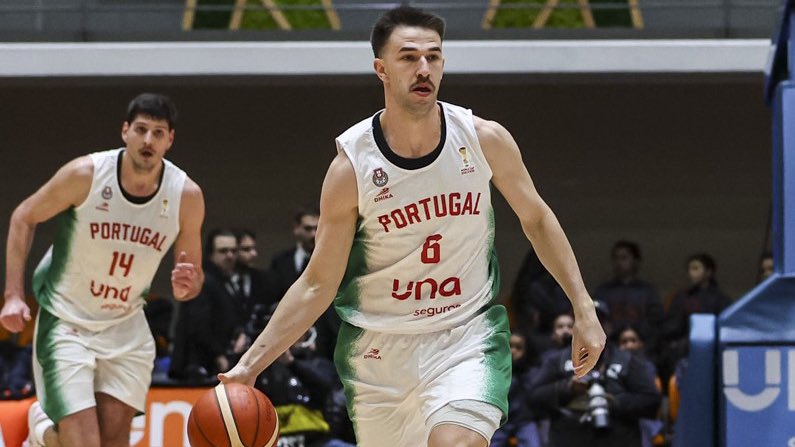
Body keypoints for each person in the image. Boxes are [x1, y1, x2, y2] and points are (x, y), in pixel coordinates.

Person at [220, 6, 605, 447]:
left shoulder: (483, 139)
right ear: (381, 68)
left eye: (433, 57)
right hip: (379, 353)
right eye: (408, 57)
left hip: (465, 335)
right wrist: (249, 366)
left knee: (454, 442)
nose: (424, 68)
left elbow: (536, 219)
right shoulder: (351, 167)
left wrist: (584, 307)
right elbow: (316, 284)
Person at [0, 93, 205, 447]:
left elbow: (193, 278)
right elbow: (23, 216)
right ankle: (44, 429)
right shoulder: (87, 175)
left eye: (158, 133)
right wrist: (13, 295)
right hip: (67, 320)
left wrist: (189, 284)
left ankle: (47, 438)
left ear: (170, 140)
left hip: (125, 325)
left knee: (112, 442)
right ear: (125, 131)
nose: (147, 140)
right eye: (141, 129)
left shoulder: (185, 195)